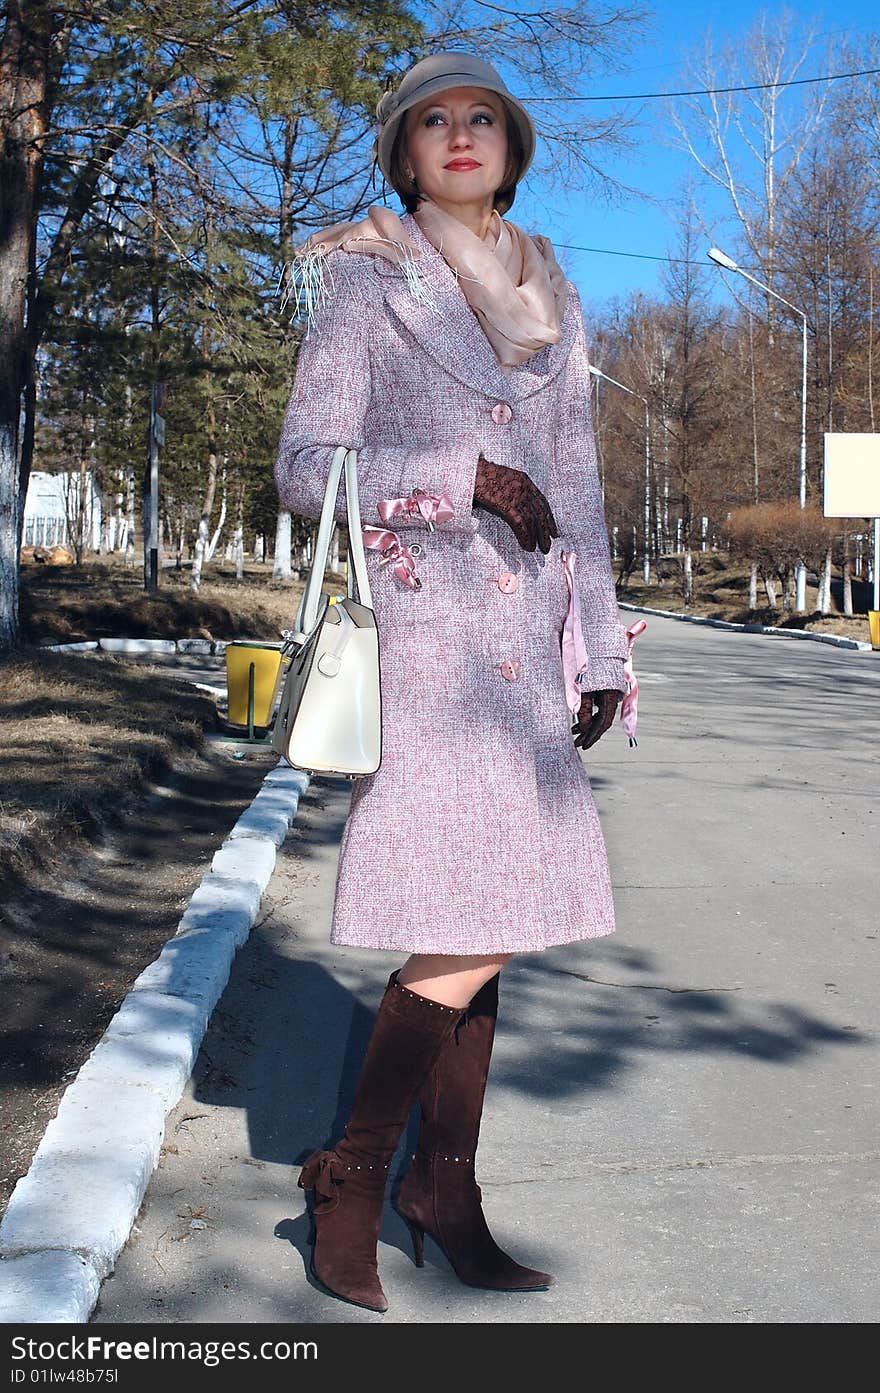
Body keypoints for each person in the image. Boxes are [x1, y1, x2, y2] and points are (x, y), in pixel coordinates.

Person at [274, 51, 635, 1314]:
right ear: (406, 154)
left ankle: (445, 1187)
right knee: (473, 911)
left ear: (512, 149)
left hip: (528, 646)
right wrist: (455, 479)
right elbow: (306, 469)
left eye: (482, 117)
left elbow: (578, 488)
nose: (461, 133)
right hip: (426, 641)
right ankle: (359, 1176)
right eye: (435, 121)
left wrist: (597, 641)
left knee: (492, 916)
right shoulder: (367, 282)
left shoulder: (552, 289)